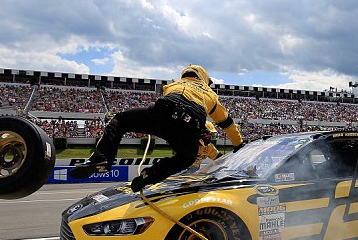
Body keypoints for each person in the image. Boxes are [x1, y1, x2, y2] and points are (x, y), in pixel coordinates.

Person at [70, 64, 244, 191]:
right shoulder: (210, 94)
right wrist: (238, 145)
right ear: (204, 78)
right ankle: (149, 176)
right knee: (186, 158)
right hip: (193, 123)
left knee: (120, 121)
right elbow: (227, 123)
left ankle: (102, 159)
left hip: (165, 110)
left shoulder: (175, 84)